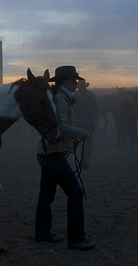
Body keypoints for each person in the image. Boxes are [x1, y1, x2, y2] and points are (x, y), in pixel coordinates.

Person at [35, 65, 96, 251]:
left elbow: (59, 130)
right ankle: (76, 238)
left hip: (47, 152)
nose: (77, 83)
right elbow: (61, 127)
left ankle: (42, 233)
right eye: (73, 80)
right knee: (76, 193)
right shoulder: (62, 100)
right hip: (53, 155)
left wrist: (70, 142)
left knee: (46, 195)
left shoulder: (61, 98)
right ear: (64, 81)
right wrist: (83, 133)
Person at [74, 80, 102, 169]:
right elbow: (99, 106)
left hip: (78, 121)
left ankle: (82, 159)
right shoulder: (92, 95)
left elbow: (72, 108)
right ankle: (87, 158)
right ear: (86, 86)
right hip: (90, 121)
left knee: (80, 140)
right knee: (88, 140)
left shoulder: (74, 95)